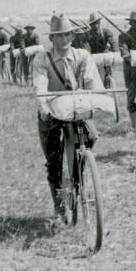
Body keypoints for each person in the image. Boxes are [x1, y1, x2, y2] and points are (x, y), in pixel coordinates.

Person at [31, 14, 103, 224]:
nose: (65, 39)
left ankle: (78, 177)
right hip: (52, 111)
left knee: (90, 139)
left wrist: (95, 98)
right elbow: (40, 86)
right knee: (53, 161)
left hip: (76, 110)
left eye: (68, 34)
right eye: (60, 35)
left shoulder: (83, 56)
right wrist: (44, 107)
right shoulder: (42, 59)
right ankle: (59, 207)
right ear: (51, 38)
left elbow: (93, 82)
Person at [85, 13, 118, 85]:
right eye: (93, 24)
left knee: (108, 74)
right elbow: (85, 47)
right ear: (90, 25)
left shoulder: (106, 32)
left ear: (99, 23)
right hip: (93, 57)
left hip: (104, 57)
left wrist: (113, 53)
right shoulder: (87, 35)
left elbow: (113, 44)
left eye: (97, 23)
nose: (95, 26)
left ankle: (109, 77)